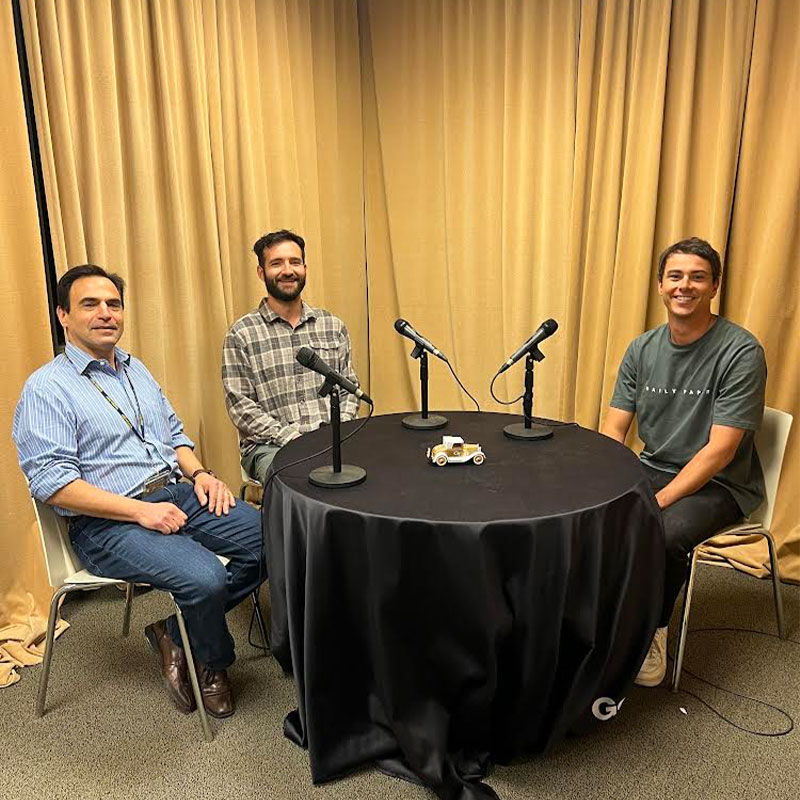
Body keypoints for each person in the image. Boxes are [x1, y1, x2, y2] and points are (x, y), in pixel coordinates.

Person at [14, 265, 264, 718]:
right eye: (90, 304)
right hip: (106, 524)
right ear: (63, 316)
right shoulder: (46, 389)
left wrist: (202, 474)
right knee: (204, 577)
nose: (106, 313)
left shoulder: (136, 369)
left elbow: (174, 435)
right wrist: (138, 513)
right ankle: (211, 662)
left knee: (275, 540)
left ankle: (173, 629)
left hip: (176, 492)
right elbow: (53, 485)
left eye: (113, 304)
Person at [601, 237, 766, 687]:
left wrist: (660, 499)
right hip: (655, 464)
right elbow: (614, 428)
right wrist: (602, 478)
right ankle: (602, 618)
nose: (684, 286)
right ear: (660, 286)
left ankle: (654, 630)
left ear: (714, 287)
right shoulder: (642, 348)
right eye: (675, 276)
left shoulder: (741, 352)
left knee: (665, 531)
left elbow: (720, 451)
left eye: (698, 277)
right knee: (586, 510)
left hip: (722, 483)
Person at [222, 229, 361, 483]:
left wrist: (336, 432)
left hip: (334, 439)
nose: (288, 270)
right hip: (271, 447)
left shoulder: (332, 325)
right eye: (277, 263)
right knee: (301, 484)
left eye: (295, 262)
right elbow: (241, 407)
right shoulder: (241, 334)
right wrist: (292, 439)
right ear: (261, 273)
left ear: (305, 268)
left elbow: (349, 389)